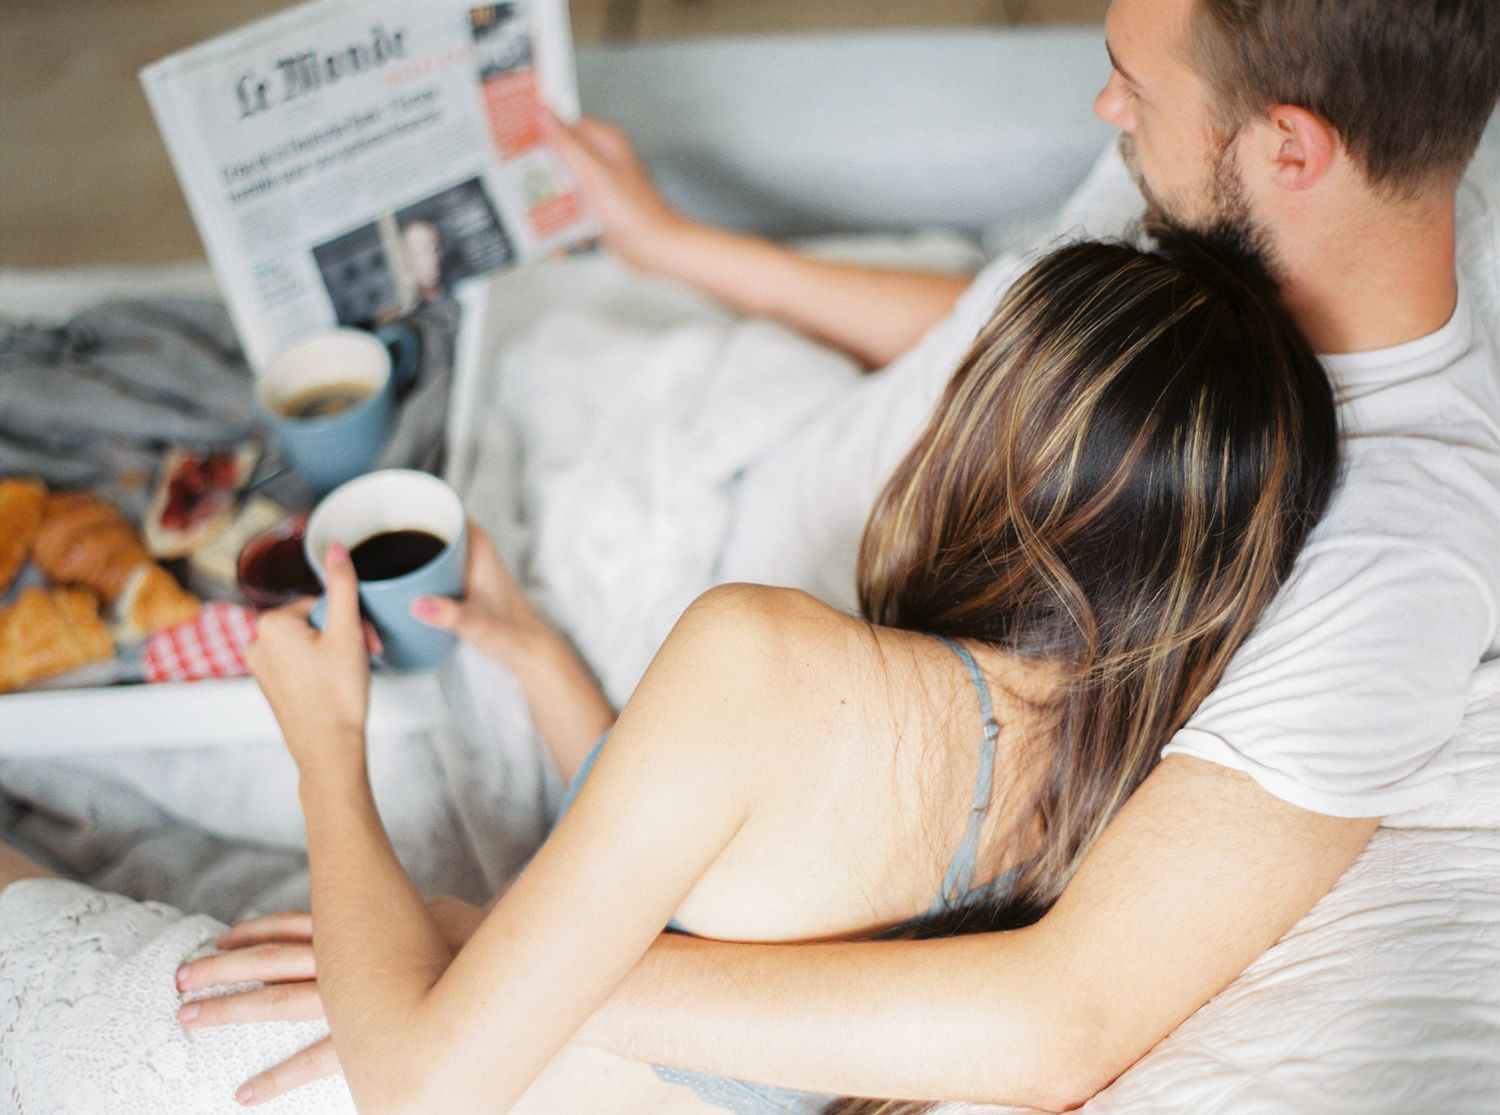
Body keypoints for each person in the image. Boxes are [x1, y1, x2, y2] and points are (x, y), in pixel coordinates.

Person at [176, 0, 1500, 1108]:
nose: (1105, 110)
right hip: (696, 682)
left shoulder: (1382, 545)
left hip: (710, 715)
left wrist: (516, 963)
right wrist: (689, 253)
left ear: (1290, 147)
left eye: (1130, 83)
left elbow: (1061, 1015)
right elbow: (996, 313)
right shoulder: (1215, 322)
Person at [0, 230, 1340, 1114]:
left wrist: (324, 748)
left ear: (994, 448)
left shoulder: (764, 658)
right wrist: (535, 660)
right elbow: (729, 883)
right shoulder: (1107, 773)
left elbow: (416, 1079)